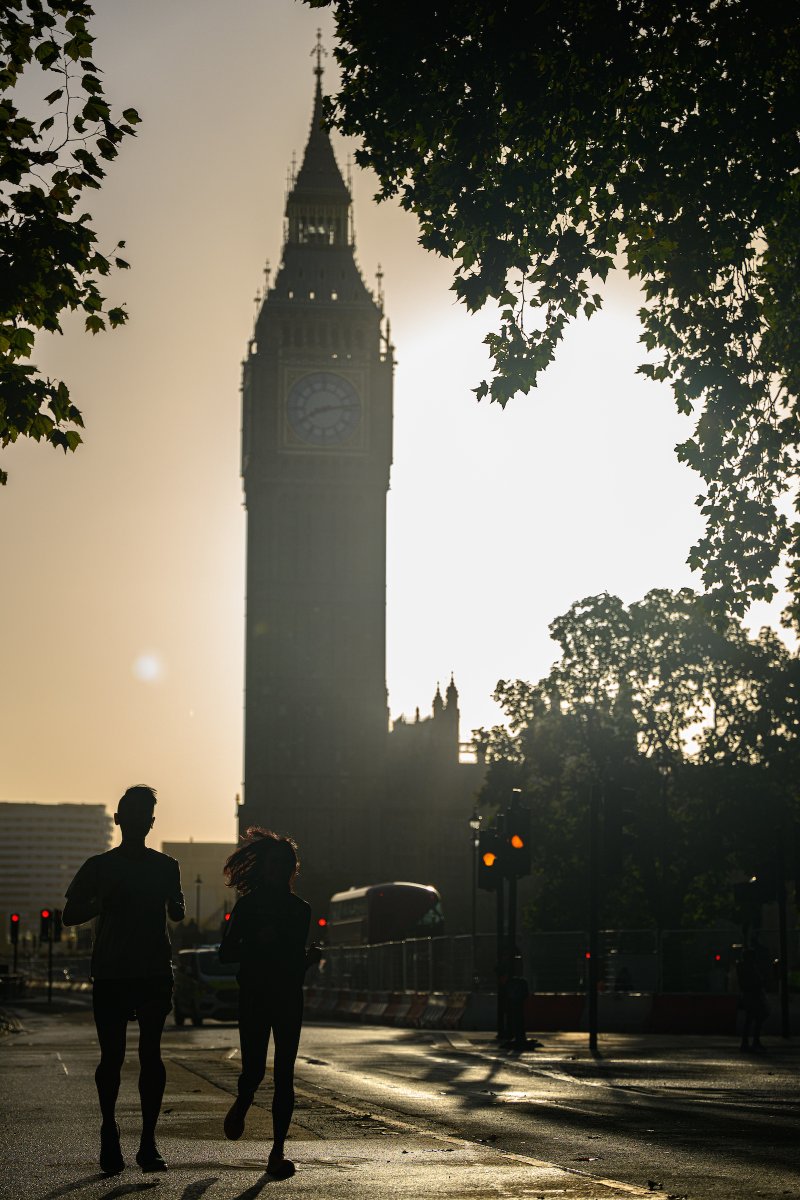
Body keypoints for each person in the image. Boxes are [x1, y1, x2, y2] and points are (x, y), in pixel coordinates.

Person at [63, 785, 185, 1175]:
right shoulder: (98, 867)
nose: (137, 821)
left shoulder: (167, 867)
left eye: (143, 815)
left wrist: (176, 906)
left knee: (151, 1055)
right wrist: (101, 903)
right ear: (119, 820)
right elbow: (69, 915)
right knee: (112, 1058)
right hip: (113, 972)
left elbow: (177, 909)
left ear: (151, 822)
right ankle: (109, 1129)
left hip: (152, 971)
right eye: (131, 814)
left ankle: (148, 1141)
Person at [219, 827, 321, 1180]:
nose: (279, 870)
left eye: (285, 864)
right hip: (255, 994)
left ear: (293, 870)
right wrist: (255, 942)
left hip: (289, 996)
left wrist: (308, 960)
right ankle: (243, 1100)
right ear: (263, 867)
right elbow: (226, 953)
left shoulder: (300, 910)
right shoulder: (248, 906)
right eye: (274, 863)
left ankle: (277, 1152)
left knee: (285, 1075)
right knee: (254, 1071)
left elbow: (292, 960)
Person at [737, 946, 769, 1053]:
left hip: (750, 996)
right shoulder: (749, 968)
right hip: (753, 996)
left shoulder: (743, 967)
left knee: (751, 1019)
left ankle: (748, 1042)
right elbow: (752, 982)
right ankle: (752, 1041)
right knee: (756, 1017)